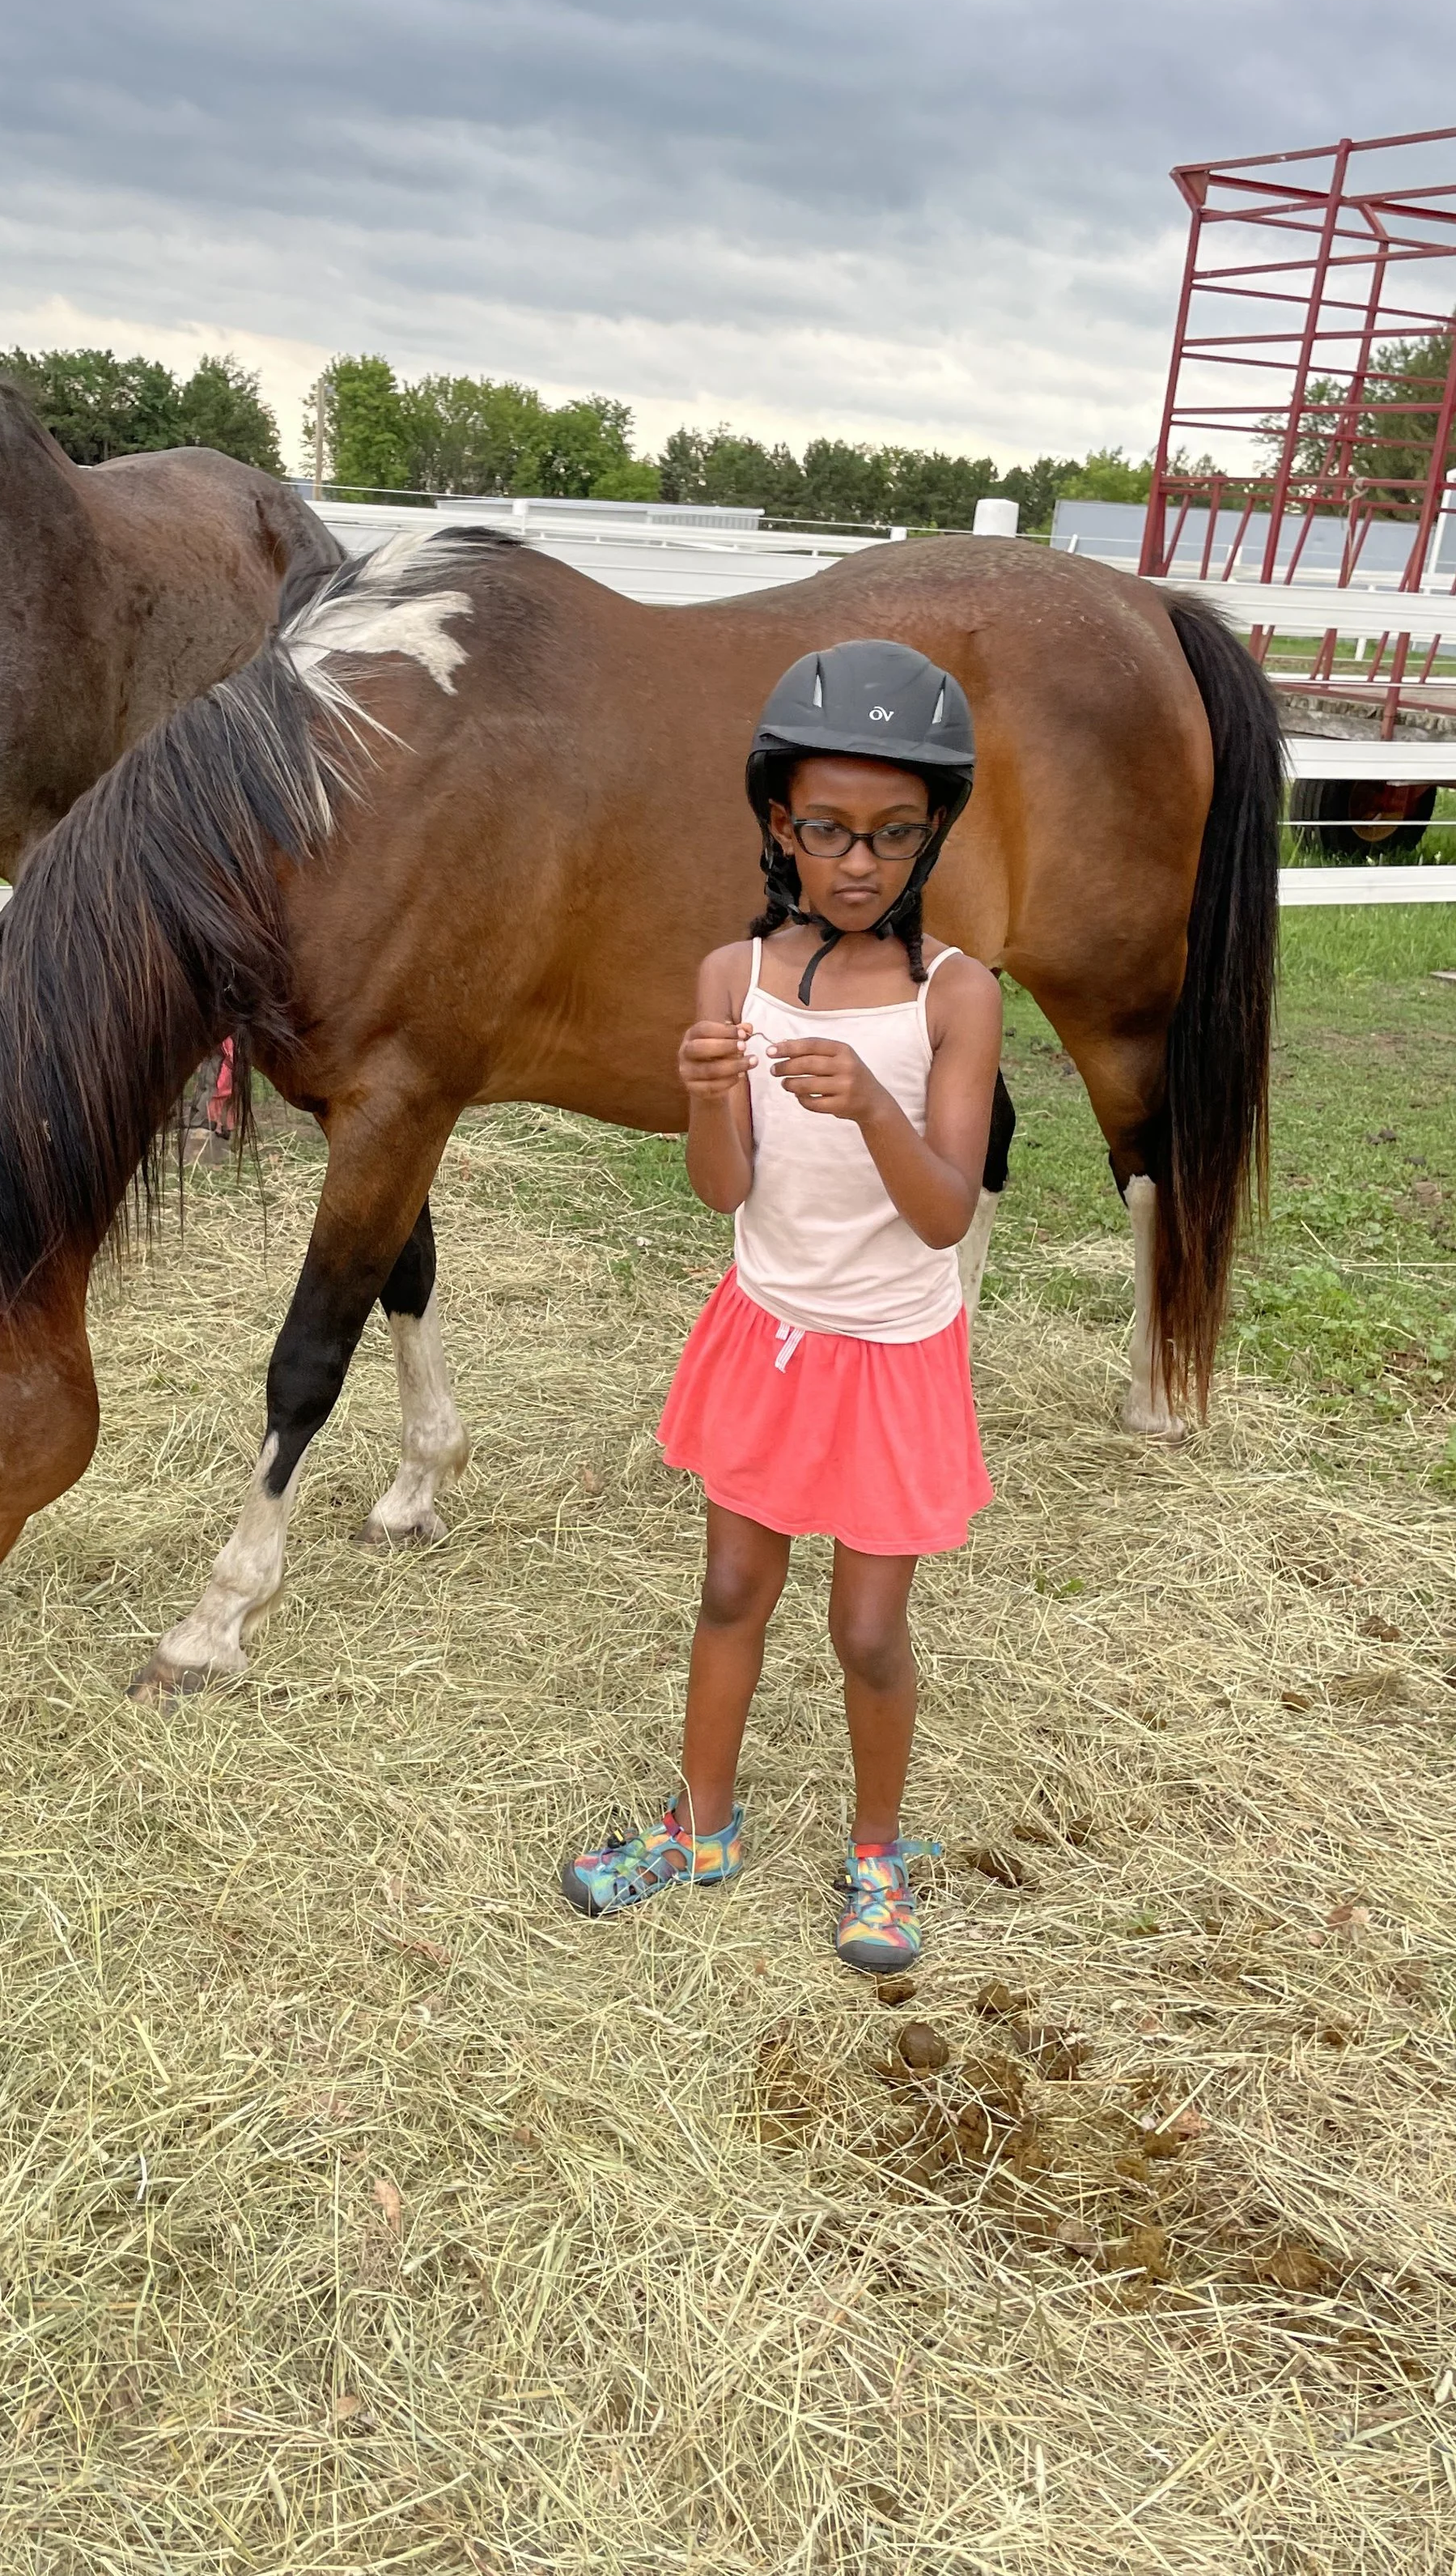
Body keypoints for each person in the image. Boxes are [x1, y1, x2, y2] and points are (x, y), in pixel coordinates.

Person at [561, 642, 1001, 1974]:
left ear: (928, 838)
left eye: (890, 835)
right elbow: (724, 1190)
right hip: (769, 1328)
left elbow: (944, 1212)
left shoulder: (955, 994)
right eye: (827, 830)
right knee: (730, 1585)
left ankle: (879, 1852)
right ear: (778, 824)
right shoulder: (728, 977)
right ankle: (699, 1826)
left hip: (891, 1349)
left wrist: (874, 1102)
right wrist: (705, 1091)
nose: (857, 862)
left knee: (867, 1625)